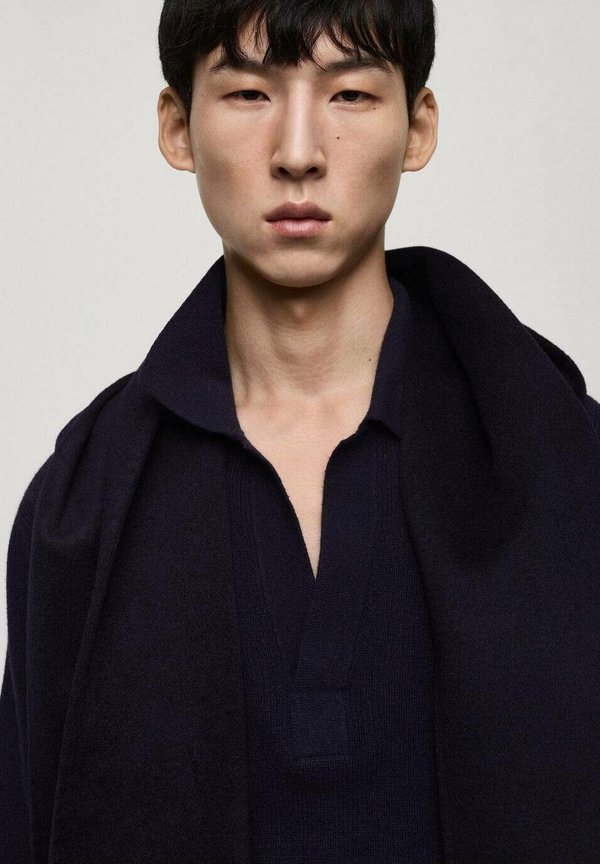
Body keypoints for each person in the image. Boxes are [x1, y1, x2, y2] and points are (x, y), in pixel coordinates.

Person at [2, 2, 600, 863]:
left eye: (350, 94)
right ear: (177, 126)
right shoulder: (79, 508)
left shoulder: (566, 466)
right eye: (249, 93)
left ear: (418, 127)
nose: (298, 152)